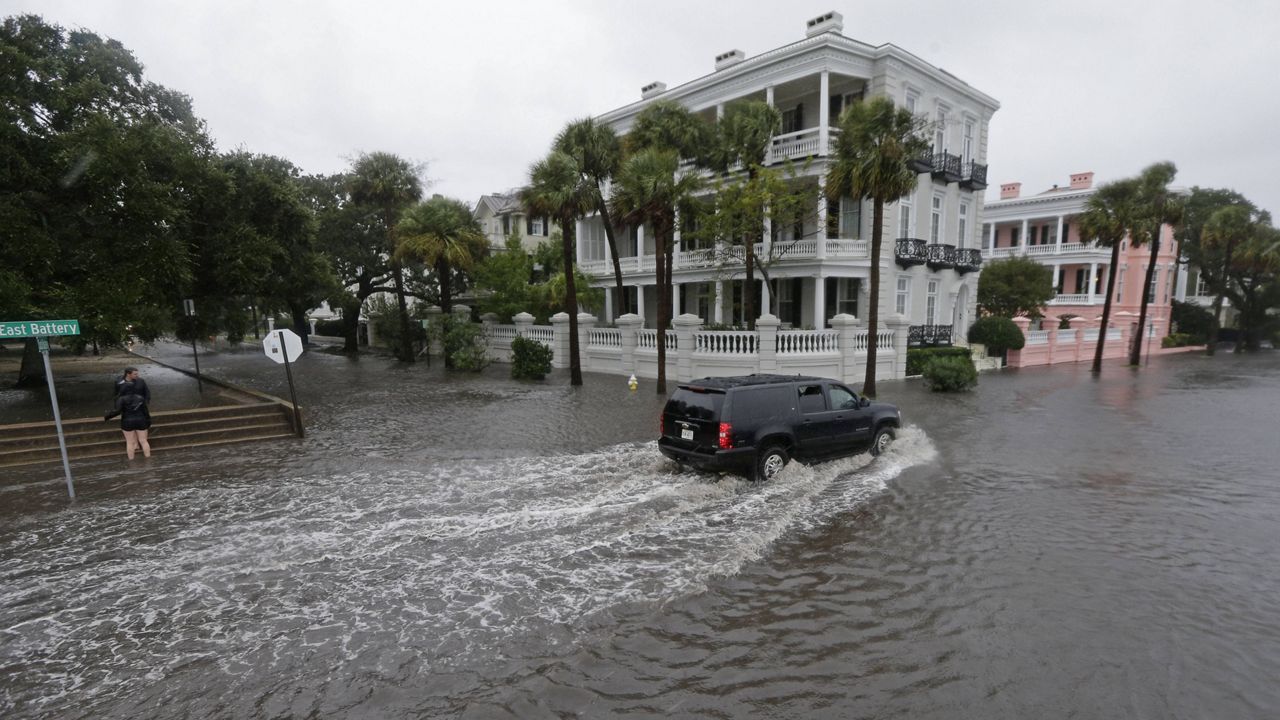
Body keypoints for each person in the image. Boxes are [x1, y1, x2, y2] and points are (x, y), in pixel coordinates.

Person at [105, 368, 152, 459]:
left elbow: (147, 393)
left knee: (130, 441)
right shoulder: (119, 381)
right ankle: (146, 456)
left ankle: (131, 459)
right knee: (143, 440)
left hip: (131, 413)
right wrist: (148, 420)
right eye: (135, 374)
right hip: (136, 412)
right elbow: (116, 394)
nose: (137, 376)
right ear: (128, 374)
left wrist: (108, 416)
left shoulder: (140, 382)